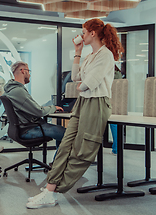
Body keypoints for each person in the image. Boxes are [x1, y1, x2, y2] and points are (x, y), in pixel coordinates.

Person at [26, 18, 124, 209]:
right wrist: (78, 53)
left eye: (84, 32)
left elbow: (89, 83)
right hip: (83, 102)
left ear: (92, 33)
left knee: (82, 150)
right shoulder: (90, 56)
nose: (82, 36)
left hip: (97, 103)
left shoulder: (106, 55)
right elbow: (75, 77)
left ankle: (53, 190)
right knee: (66, 145)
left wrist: (82, 85)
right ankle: (50, 189)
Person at [3, 61, 66, 161]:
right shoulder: (18, 91)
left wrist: (45, 108)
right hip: (28, 130)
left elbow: (33, 109)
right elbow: (39, 112)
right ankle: (57, 166)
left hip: (23, 128)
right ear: (23, 71)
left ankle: (58, 164)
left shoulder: (13, 90)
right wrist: (53, 108)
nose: (30, 74)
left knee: (61, 131)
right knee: (66, 134)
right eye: (29, 71)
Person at [111, 65, 123, 155]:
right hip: (117, 102)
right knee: (114, 124)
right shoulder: (118, 73)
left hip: (108, 100)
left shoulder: (109, 72)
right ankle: (116, 148)